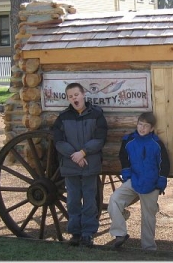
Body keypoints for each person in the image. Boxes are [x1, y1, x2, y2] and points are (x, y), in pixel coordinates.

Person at [52, 82, 108, 247]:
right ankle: (75, 233)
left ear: (83, 94)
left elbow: (100, 138)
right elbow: (59, 141)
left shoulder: (97, 115)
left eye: (76, 94)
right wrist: (74, 155)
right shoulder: (63, 117)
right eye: (70, 96)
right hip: (71, 165)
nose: (74, 98)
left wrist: (83, 153)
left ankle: (88, 234)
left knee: (90, 201)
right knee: (73, 201)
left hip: (89, 164)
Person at [108, 112, 170, 250]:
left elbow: (164, 164)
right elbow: (124, 159)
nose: (142, 128)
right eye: (140, 124)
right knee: (114, 200)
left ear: (151, 128)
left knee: (148, 217)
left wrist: (160, 184)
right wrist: (127, 176)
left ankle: (148, 248)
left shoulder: (157, 144)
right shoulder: (128, 140)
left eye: (146, 126)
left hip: (151, 184)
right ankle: (120, 233)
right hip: (134, 180)